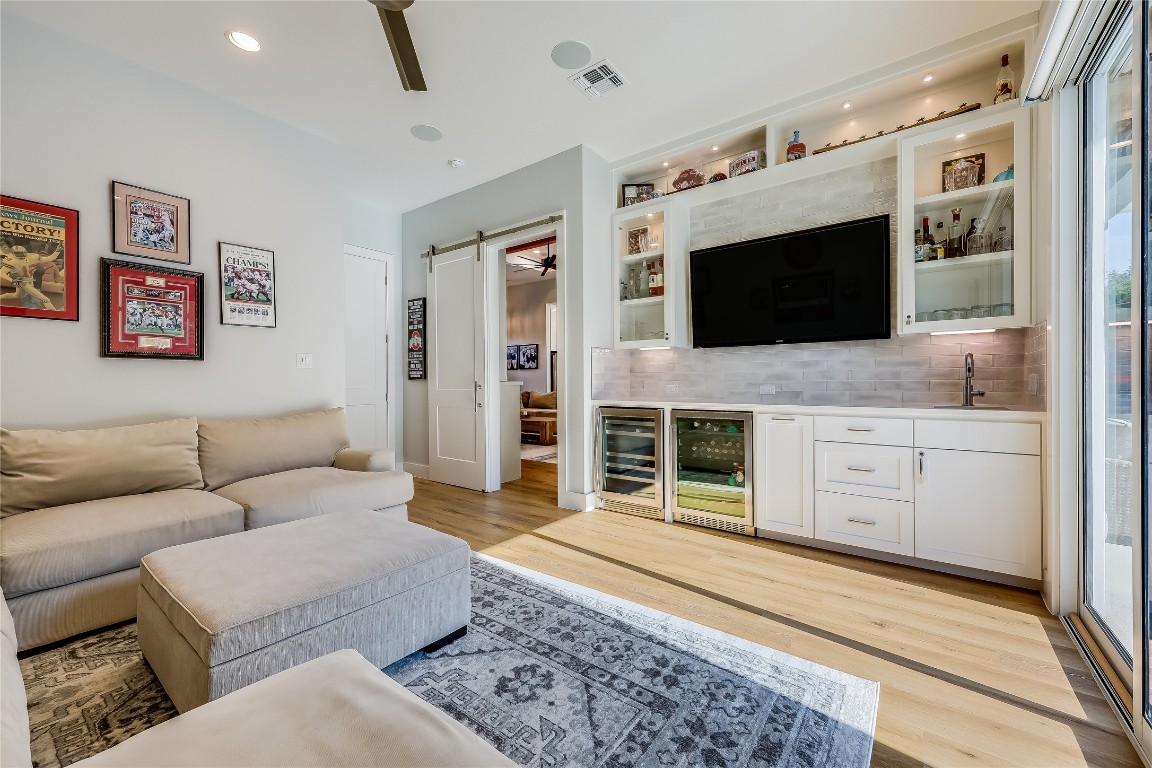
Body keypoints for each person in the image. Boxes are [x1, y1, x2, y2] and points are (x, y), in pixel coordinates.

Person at [0, 245, 57, 310]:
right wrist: (11, 280)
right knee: (46, 300)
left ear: (26, 252)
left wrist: (57, 251)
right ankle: (56, 315)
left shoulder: (32, 257)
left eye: (23, 252)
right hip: (21, 282)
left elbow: (50, 258)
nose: (22, 255)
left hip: (30, 280)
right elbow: (1, 272)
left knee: (17, 295)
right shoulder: (11, 261)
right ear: (13, 254)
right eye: (18, 253)